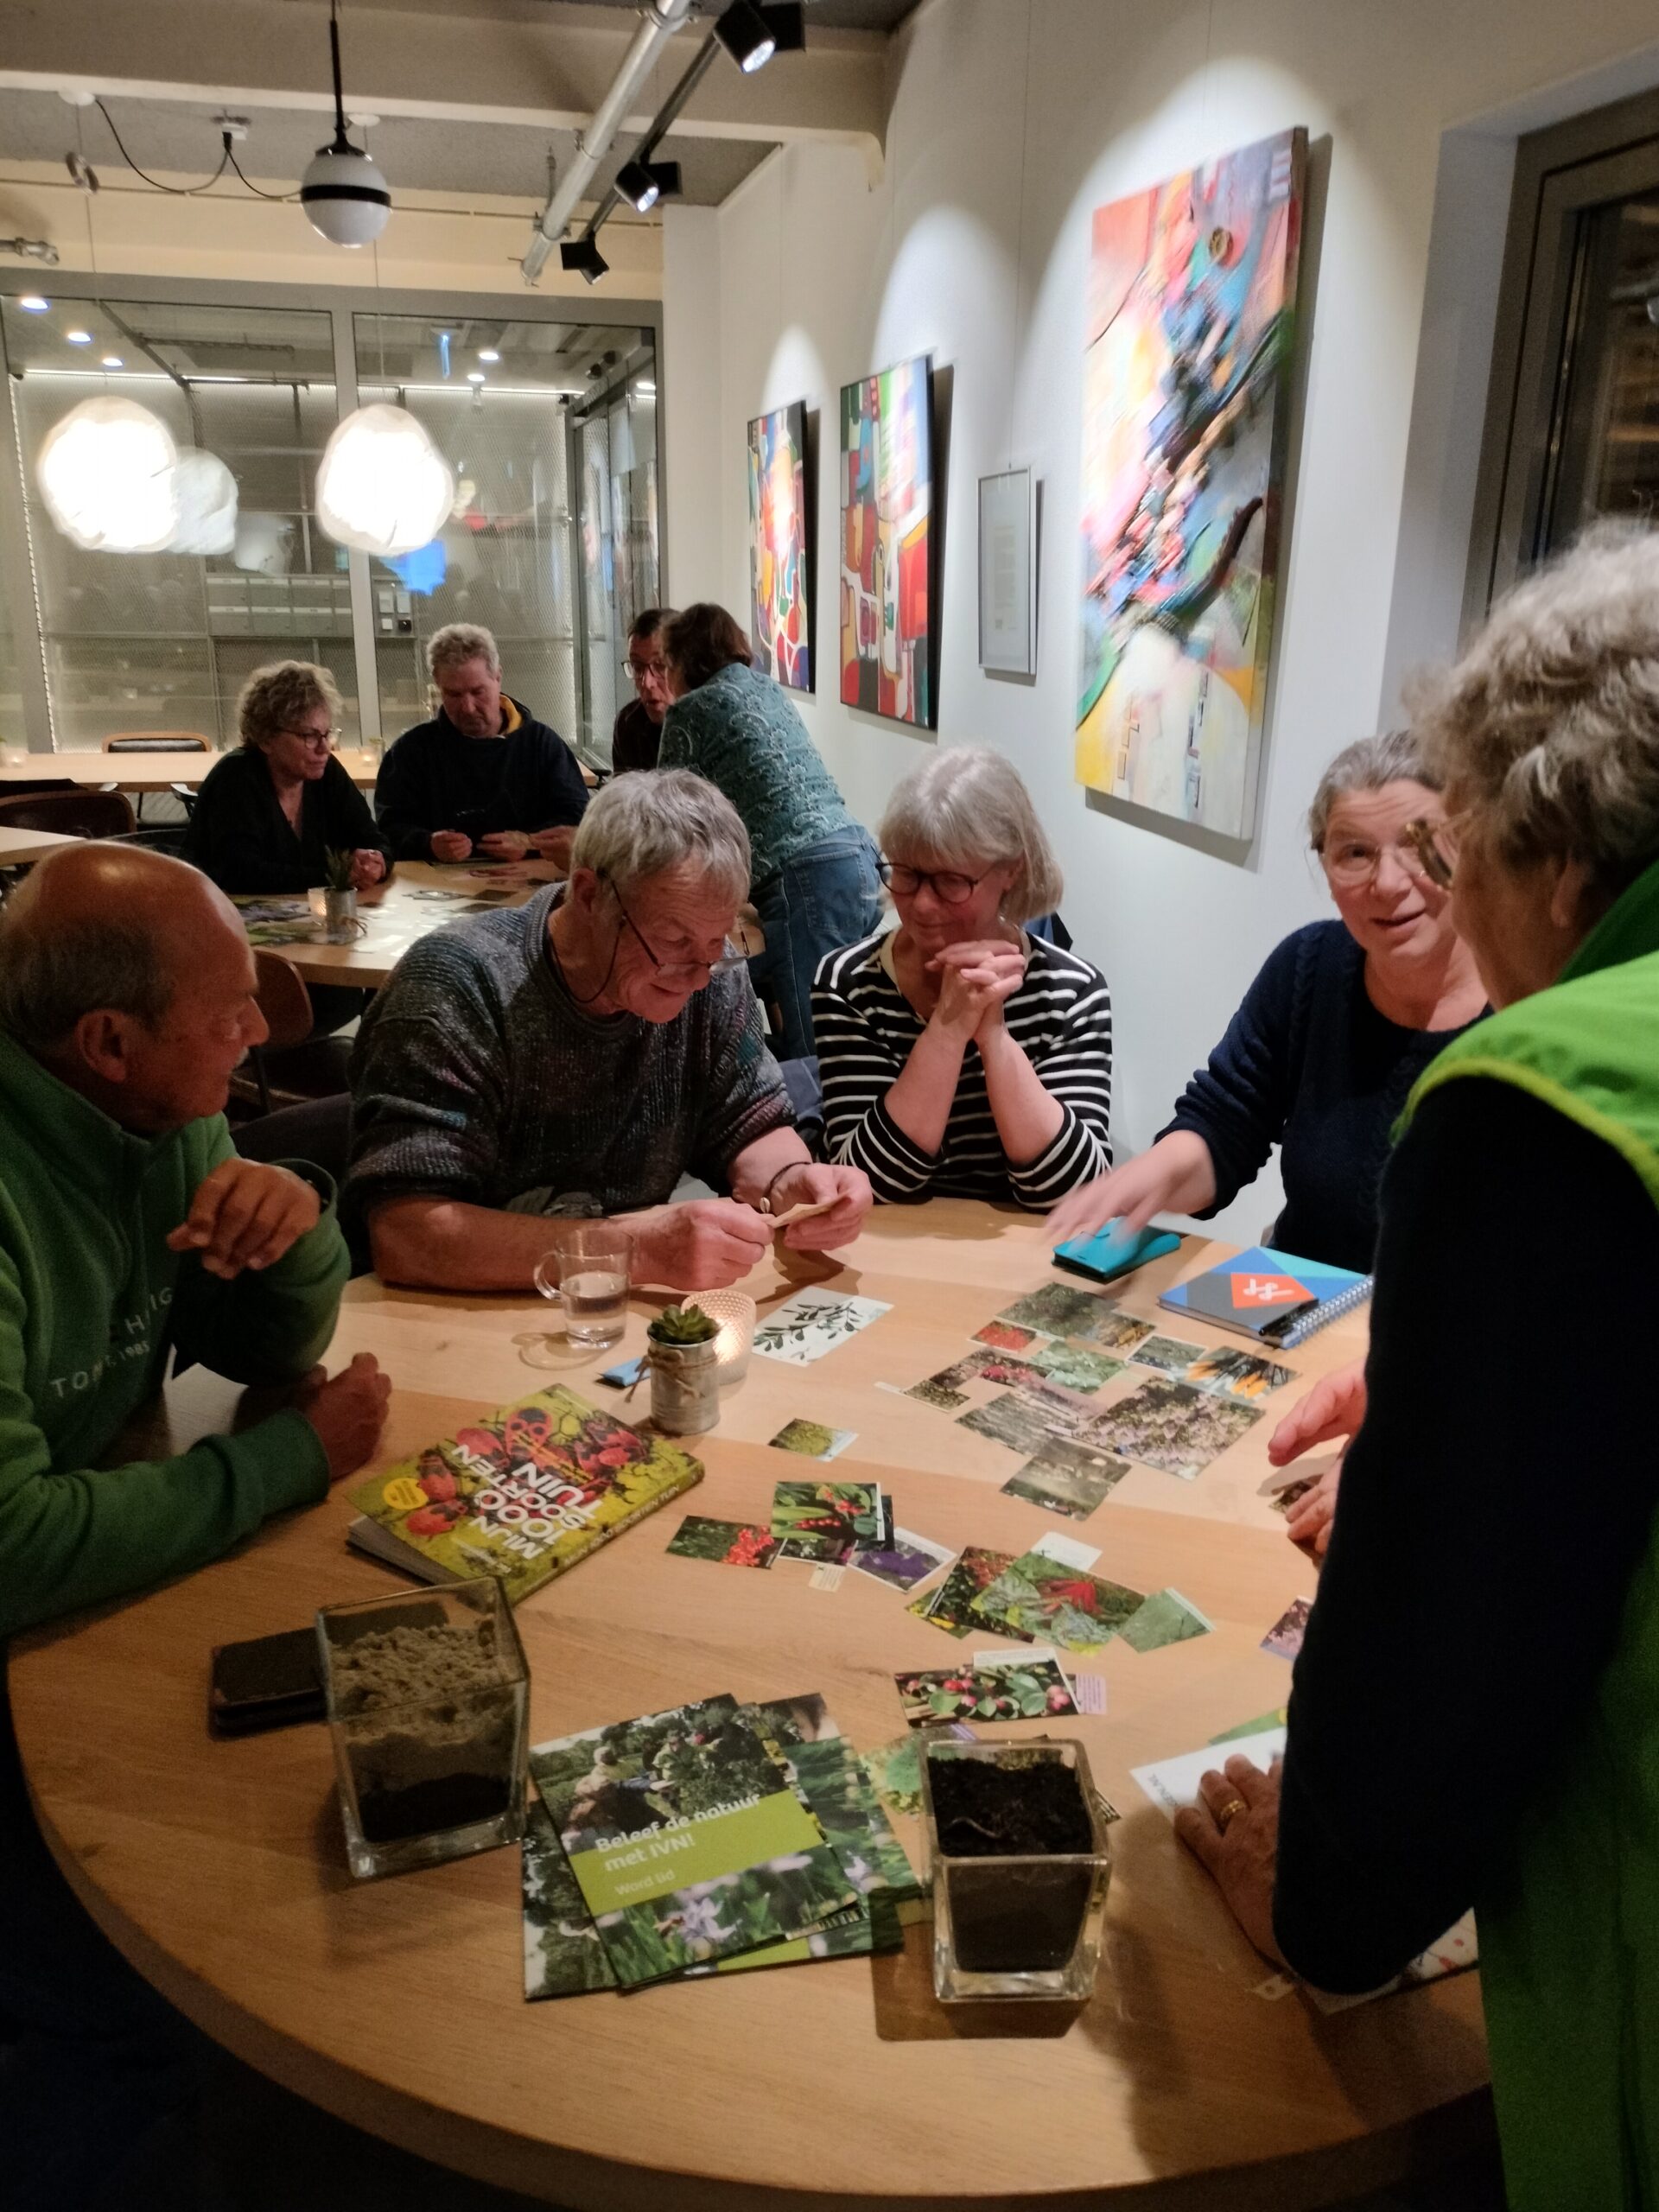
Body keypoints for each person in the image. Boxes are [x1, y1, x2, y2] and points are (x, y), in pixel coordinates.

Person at [1173, 529, 1659, 2209]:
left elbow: (1444, 1644)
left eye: (1444, 848)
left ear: (1535, 849)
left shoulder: (1541, 1088)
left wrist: (1317, 1904)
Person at [0, 844, 391, 2209]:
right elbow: (13, 1549)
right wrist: (287, 1461)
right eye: (227, 1012)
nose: (262, 1033)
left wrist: (299, 1238)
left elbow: (254, 1329)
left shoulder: (170, 1119)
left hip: (86, 1587)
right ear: (107, 1042)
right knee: (144, 1993)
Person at [347, 769, 872, 1293]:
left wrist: (791, 1183)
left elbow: (746, 1119)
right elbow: (406, 1234)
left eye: (717, 942)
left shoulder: (710, 972)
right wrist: (634, 1251)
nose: (699, 974)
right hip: (456, 1321)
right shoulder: (456, 987)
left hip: (610, 1321)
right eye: (673, 941)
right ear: (589, 894)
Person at [1048, 728, 1488, 1273]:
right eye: (1355, 853)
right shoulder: (1310, 967)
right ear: (1325, 866)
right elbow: (1224, 1124)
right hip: (1297, 1310)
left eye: (1421, 845)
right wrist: (1151, 1176)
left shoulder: (1534, 995)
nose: (1389, 883)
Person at [813, 748, 1112, 1207]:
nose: (923, 905)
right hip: (889, 1254)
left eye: (951, 882)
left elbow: (1074, 1193)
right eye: (908, 874)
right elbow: (868, 1186)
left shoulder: (1071, 992)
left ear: (1010, 870)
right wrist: (949, 1029)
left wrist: (992, 1033)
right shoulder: (849, 983)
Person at [658, 602, 881, 1062]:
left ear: (682, 662)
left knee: (815, 1046)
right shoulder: (765, 688)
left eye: (664, 665)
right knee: (851, 1024)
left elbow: (665, 816)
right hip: (859, 856)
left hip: (807, 873)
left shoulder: (691, 711)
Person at [374, 621, 589, 868]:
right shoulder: (411, 752)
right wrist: (427, 843)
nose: (467, 707)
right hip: (438, 894)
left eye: (478, 692)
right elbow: (387, 828)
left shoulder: (542, 745)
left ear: (498, 677)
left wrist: (529, 842)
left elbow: (578, 819)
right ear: (437, 685)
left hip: (530, 884)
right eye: (453, 695)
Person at [181, 658, 391, 896]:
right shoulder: (236, 778)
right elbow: (241, 873)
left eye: (327, 733)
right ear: (266, 738)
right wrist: (338, 874)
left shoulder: (326, 771)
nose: (324, 748)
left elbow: (373, 838)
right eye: (309, 736)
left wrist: (376, 862)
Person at [612, 606, 677, 773]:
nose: (647, 683)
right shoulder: (628, 724)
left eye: (660, 666)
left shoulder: (709, 723)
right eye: (637, 667)